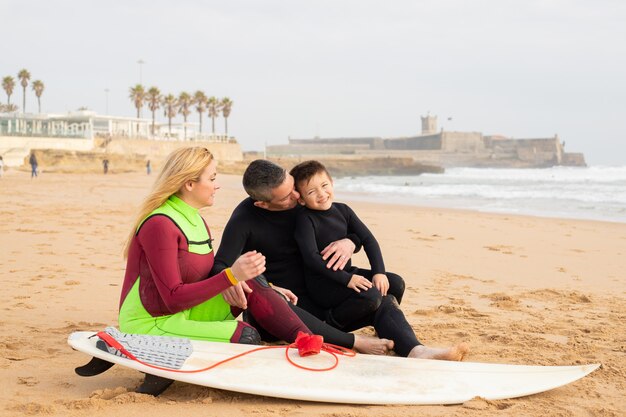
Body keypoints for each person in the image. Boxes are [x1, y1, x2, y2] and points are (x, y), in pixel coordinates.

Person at [215, 159, 467, 360]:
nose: (297, 196)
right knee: (371, 298)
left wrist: (351, 242)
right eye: (286, 197)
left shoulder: (303, 201)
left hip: (324, 287)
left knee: (391, 286)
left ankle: (415, 350)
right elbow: (220, 265)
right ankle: (347, 339)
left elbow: (343, 224)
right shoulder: (244, 219)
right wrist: (261, 285)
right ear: (262, 204)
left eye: (294, 187)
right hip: (286, 309)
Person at [118, 147, 312, 347]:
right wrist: (229, 276)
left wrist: (268, 290)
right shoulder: (160, 224)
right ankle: (311, 345)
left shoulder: (196, 220)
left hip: (186, 312)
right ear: (190, 184)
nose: (217, 186)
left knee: (250, 286)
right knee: (247, 335)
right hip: (150, 322)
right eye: (212, 179)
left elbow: (202, 280)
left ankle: (310, 342)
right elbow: (173, 299)